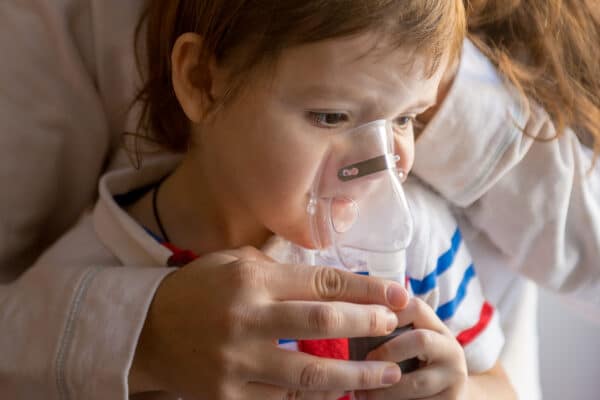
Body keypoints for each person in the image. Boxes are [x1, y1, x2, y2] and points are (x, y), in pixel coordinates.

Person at [0, 0, 598, 399]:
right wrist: (141, 338)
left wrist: (458, 390)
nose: (379, 161)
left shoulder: (421, 242)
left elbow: (498, 381)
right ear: (202, 81)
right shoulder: (96, 265)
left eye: (408, 119)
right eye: (332, 116)